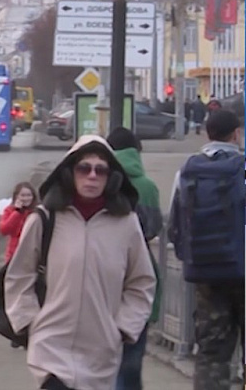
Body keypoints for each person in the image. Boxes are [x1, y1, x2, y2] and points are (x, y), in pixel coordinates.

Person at [5, 135, 156, 390]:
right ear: (69, 173)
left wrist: (122, 329)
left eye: (101, 170)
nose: (92, 176)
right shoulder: (44, 219)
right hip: (51, 347)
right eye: (84, 168)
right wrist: (30, 322)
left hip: (101, 351)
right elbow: (19, 275)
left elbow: (141, 282)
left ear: (112, 178)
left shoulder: (126, 224)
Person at [168, 109, 245, 390]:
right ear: (236, 134)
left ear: (206, 133)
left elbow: (175, 225)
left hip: (207, 274)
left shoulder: (187, 171)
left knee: (212, 355)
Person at [105, 127, 163, 390]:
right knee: (131, 357)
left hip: (102, 272)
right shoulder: (147, 186)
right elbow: (153, 229)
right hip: (138, 273)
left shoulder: (98, 181)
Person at [0, 182, 38, 264]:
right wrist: (17, 213)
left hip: (33, 255)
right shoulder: (10, 210)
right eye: (23, 195)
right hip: (14, 255)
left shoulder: (38, 211)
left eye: (29, 195)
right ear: (16, 196)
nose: (26, 198)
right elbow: (4, 230)